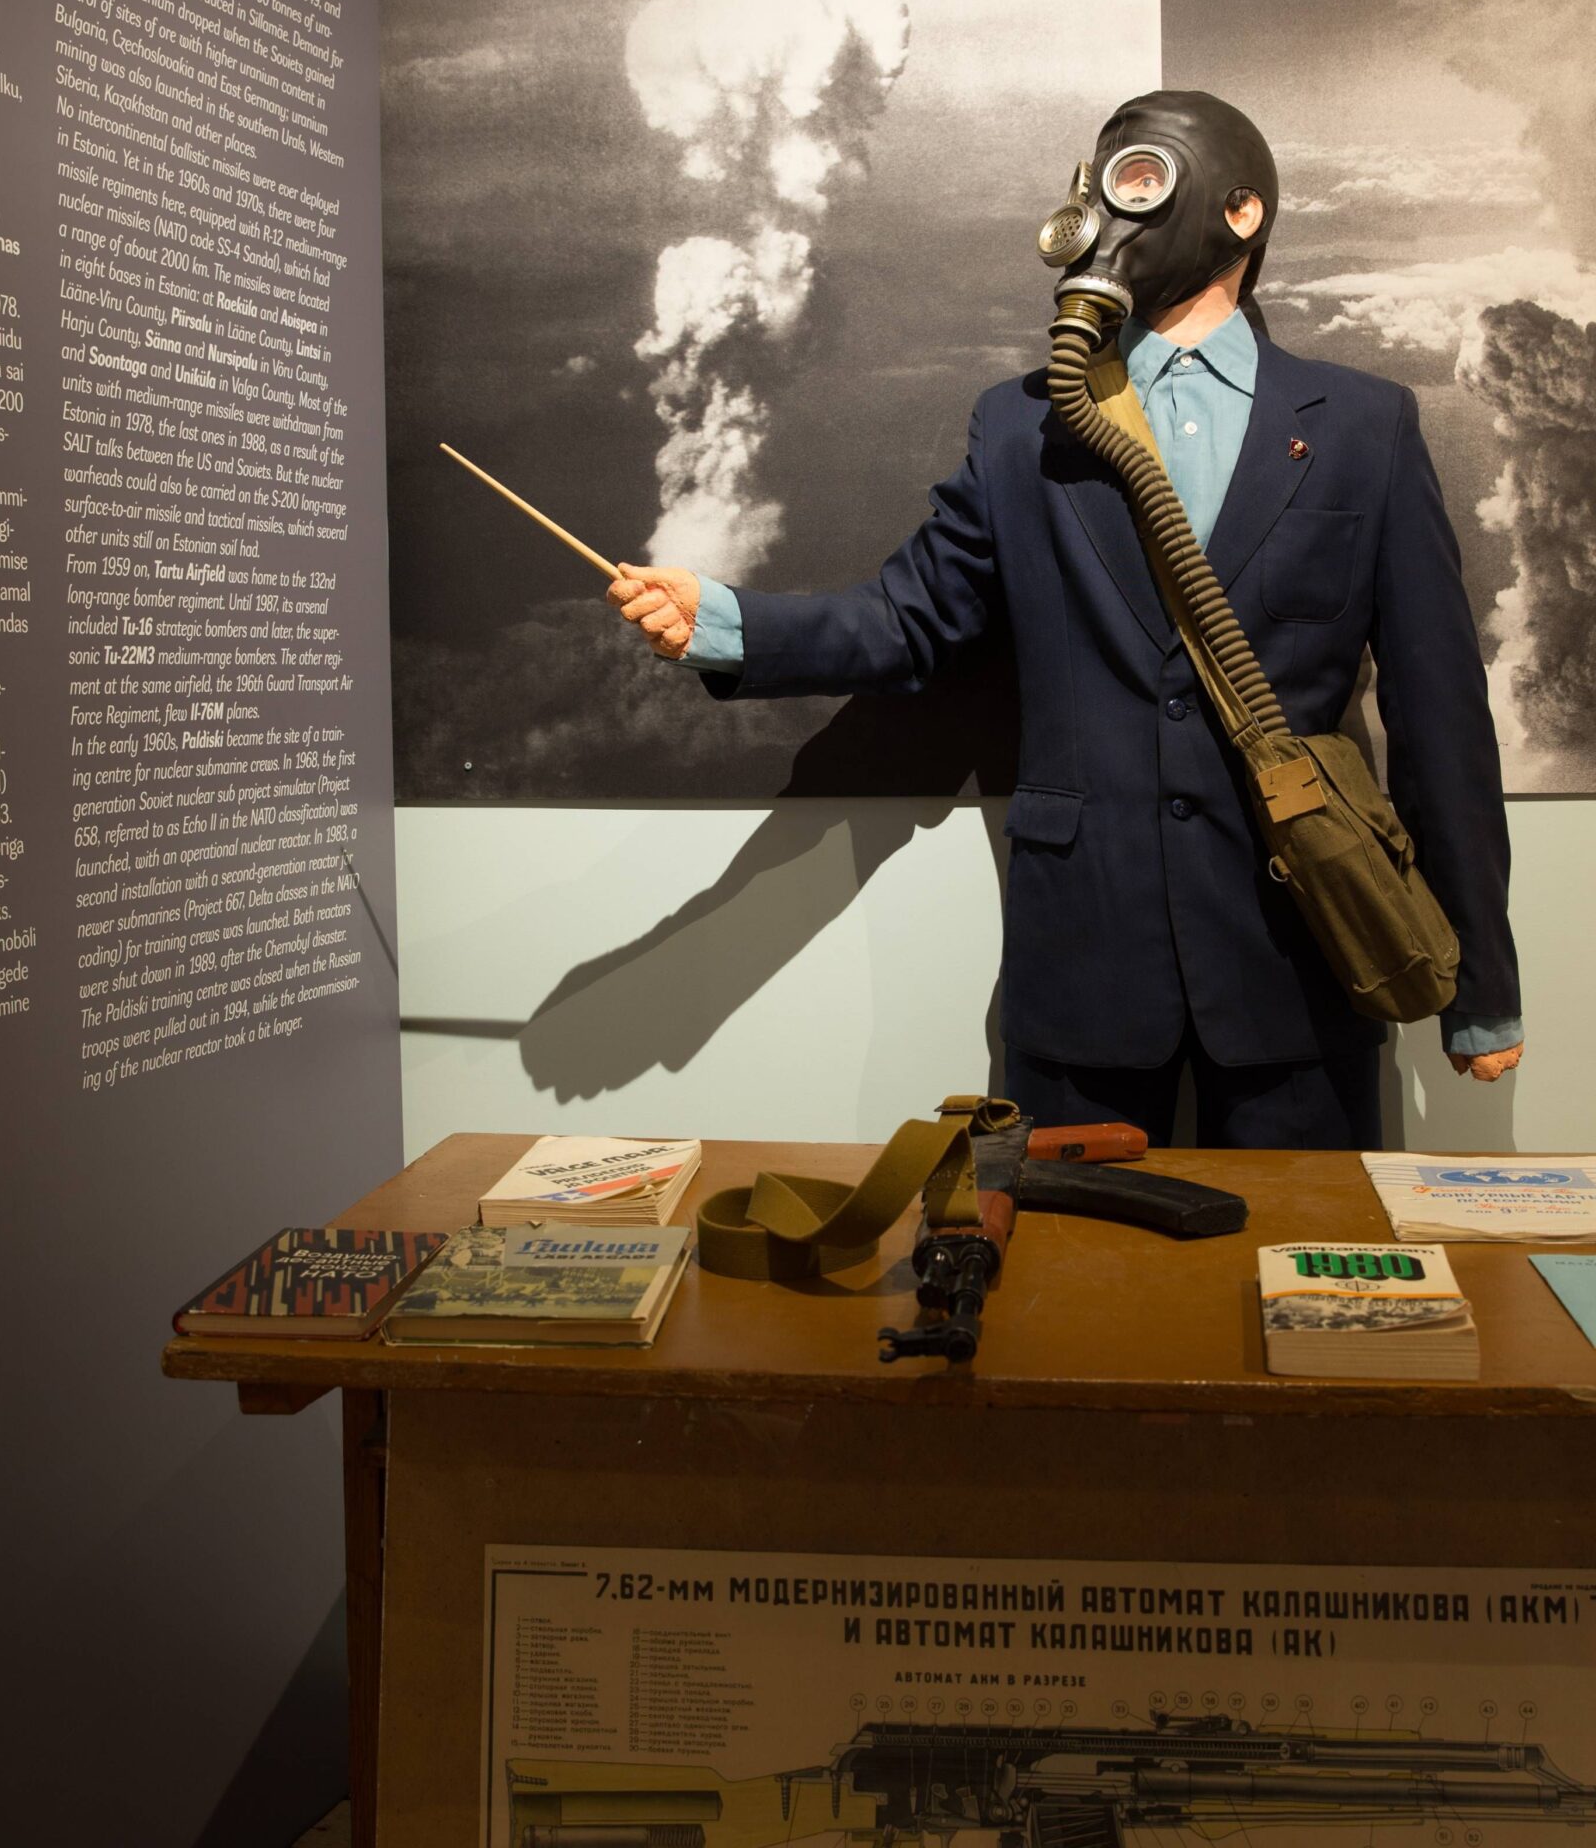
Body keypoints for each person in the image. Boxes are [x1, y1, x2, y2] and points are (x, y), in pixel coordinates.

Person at [609, 90, 1522, 1148]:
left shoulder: (1364, 426)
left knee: (1304, 1249)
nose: (1111, 214)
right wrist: (727, 622)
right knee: (1067, 1253)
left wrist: (1479, 984)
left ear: (1241, 213)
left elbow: (1439, 715)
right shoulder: (1023, 425)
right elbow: (910, 617)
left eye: (1143, 180)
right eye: (1101, 185)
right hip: (1087, 960)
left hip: (1301, 952)